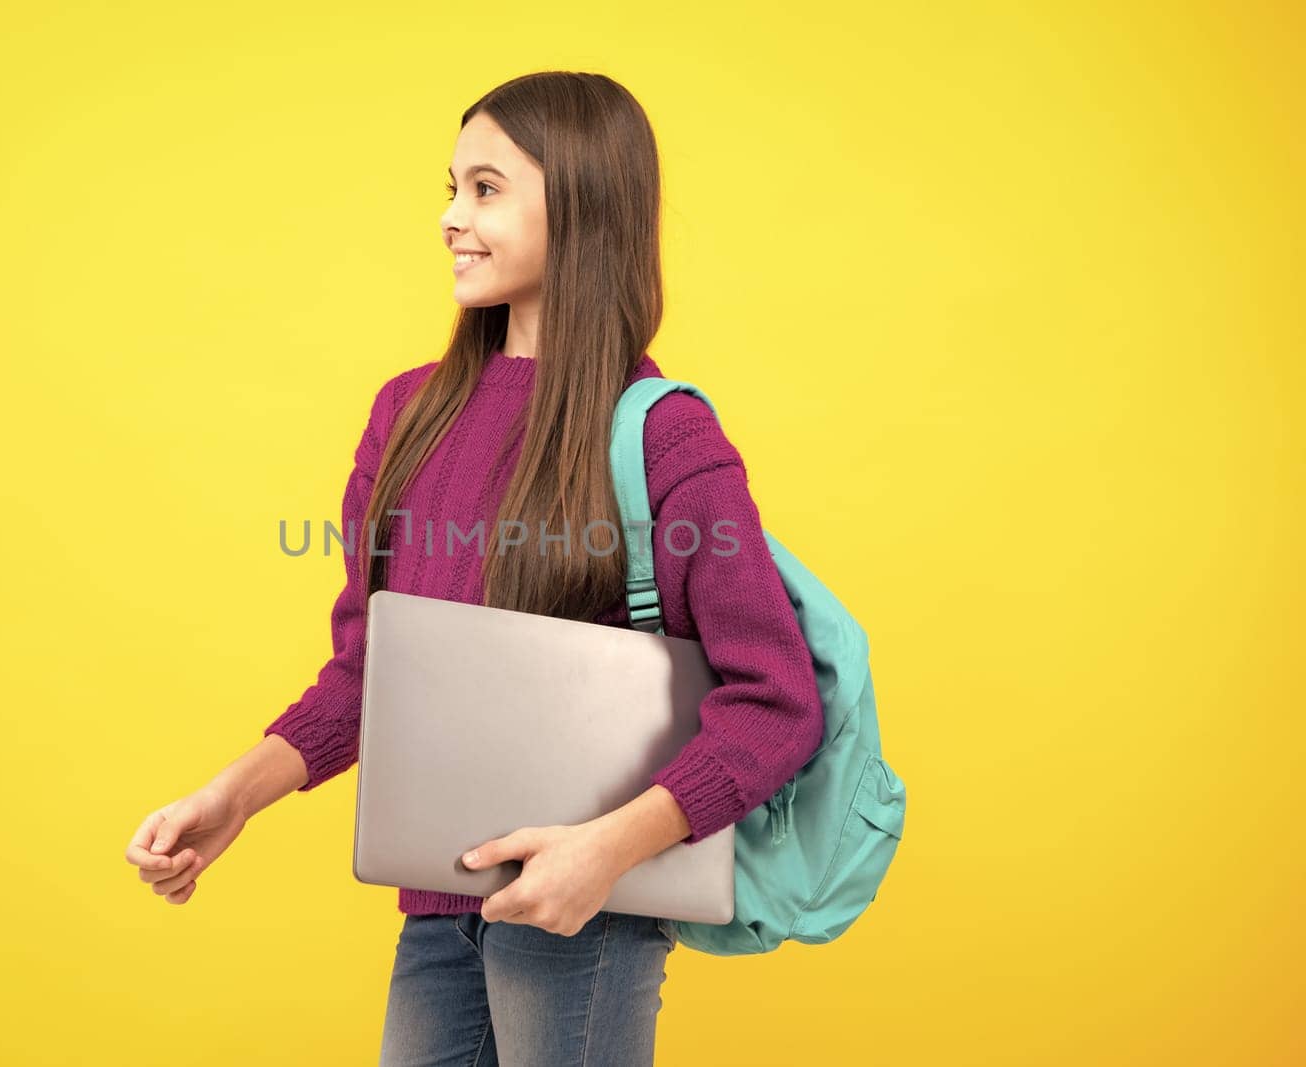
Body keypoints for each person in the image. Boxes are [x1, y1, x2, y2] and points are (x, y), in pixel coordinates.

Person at [124, 70, 825, 1065]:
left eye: (486, 189)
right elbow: (371, 673)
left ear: (580, 204)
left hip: (588, 914)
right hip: (436, 907)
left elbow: (778, 699)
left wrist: (607, 850)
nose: (451, 218)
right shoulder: (407, 413)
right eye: (449, 188)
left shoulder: (664, 436)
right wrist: (233, 794)